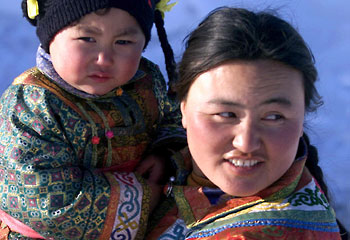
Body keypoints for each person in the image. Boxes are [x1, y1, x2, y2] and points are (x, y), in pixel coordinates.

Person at [146, 7, 348, 239]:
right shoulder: (164, 163)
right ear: (182, 106)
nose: (246, 143)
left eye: (274, 117)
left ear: (302, 117)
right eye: (226, 114)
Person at [0, 0, 186, 239]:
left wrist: (165, 156)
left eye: (124, 42)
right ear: (50, 36)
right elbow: (41, 198)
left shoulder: (146, 81)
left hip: (147, 217)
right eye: (87, 39)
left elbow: (176, 120)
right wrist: (141, 198)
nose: (104, 58)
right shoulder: (31, 105)